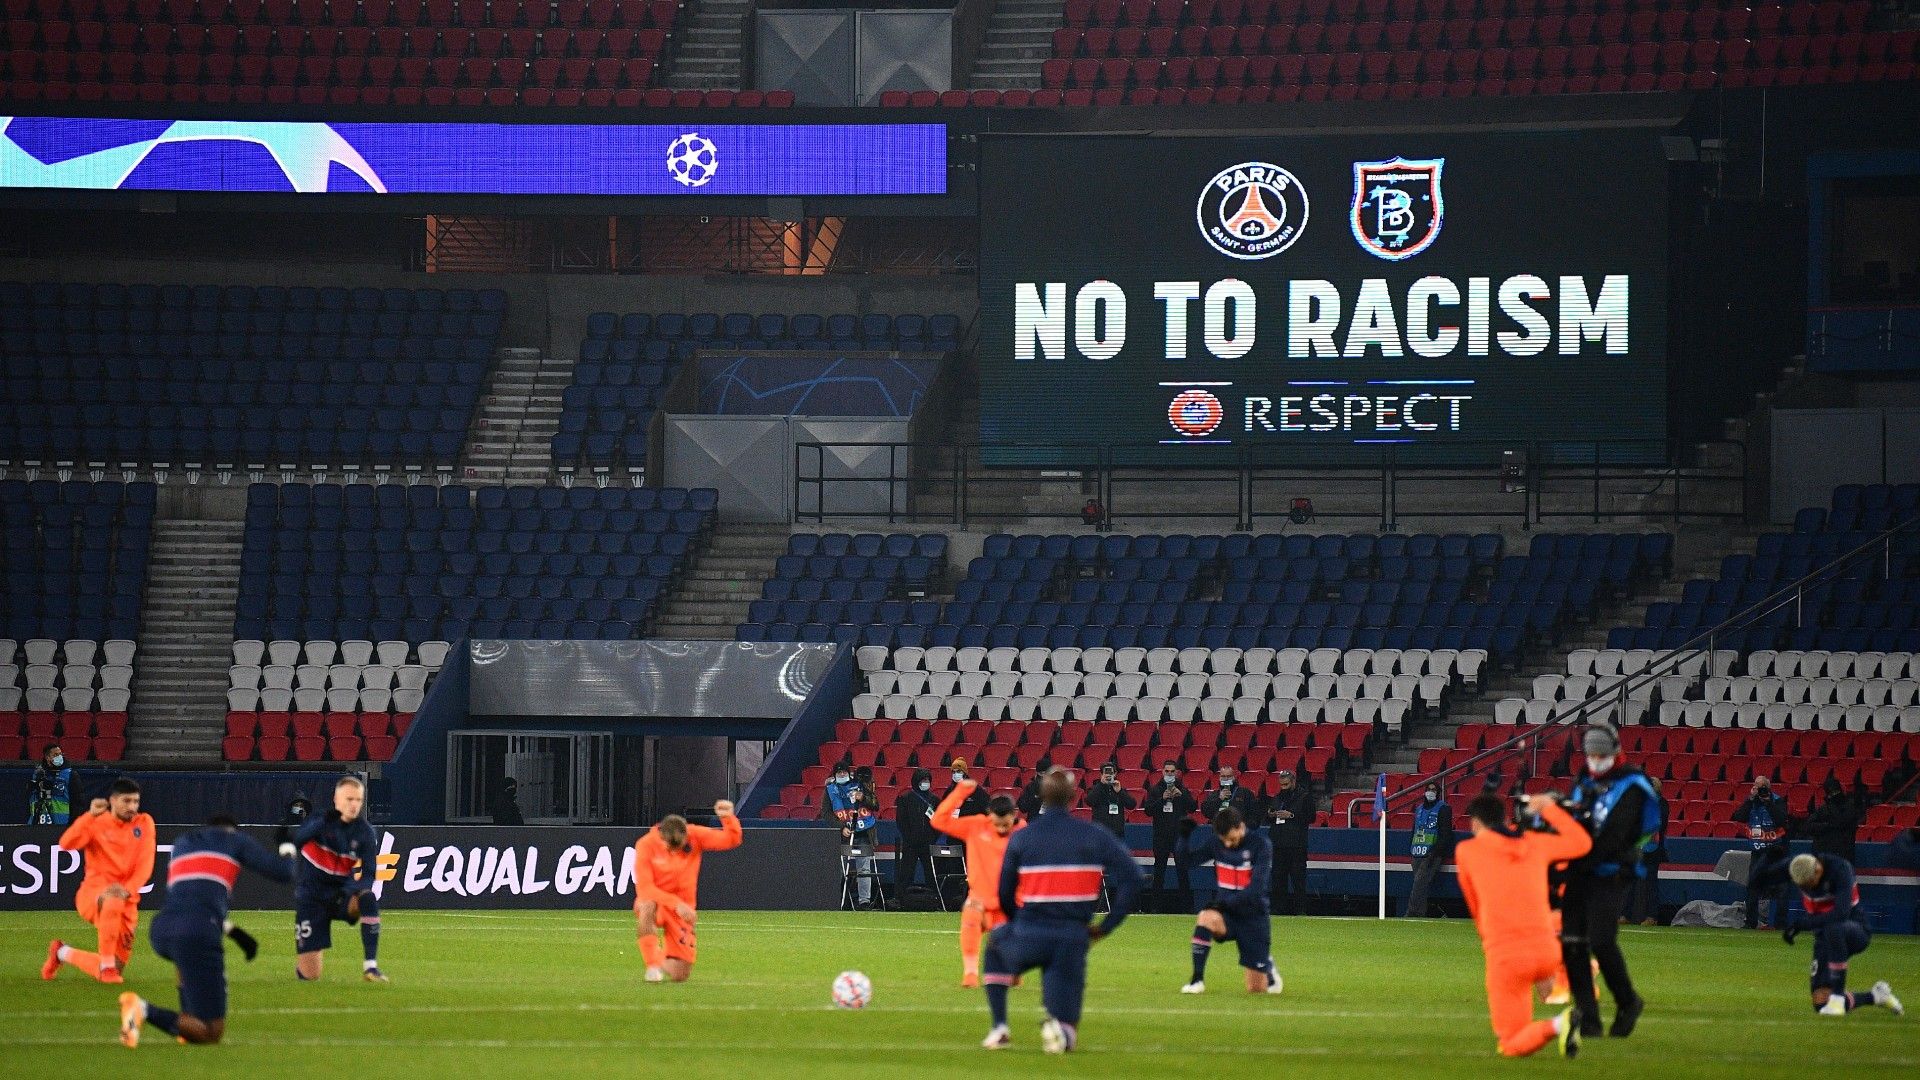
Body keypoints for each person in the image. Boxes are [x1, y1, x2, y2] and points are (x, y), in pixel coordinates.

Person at [980, 772, 1144, 1054]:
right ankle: (1061, 1031)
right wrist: (1105, 927)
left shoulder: (1023, 838)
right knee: (1067, 1026)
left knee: (995, 945)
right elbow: (1134, 878)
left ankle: (1000, 1027)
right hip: (1073, 937)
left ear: (1041, 796)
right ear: (1074, 796)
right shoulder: (1095, 835)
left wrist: (1018, 922)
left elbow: (1004, 892)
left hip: (1031, 932)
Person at [115, 815, 297, 1047]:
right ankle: (142, 1009)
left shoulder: (183, 843)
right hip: (196, 932)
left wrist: (235, 933)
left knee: (185, 957)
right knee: (212, 1032)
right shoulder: (234, 840)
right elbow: (284, 872)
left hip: (161, 930)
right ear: (232, 830)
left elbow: (191, 900)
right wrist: (287, 846)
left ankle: (185, 1026)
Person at [1454, 791, 1593, 1058]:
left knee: (1510, 1042)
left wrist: (1488, 941)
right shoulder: (1534, 844)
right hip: (1546, 952)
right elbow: (1582, 843)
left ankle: (1559, 1023)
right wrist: (1548, 808)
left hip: (1507, 955)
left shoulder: (1468, 851)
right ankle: (1566, 1004)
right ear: (1505, 819)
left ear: (1475, 823)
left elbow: (1475, 905)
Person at [1561, 724, 1654, 1039]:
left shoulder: (1632, 785)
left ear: (1614, 752)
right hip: (1579, 871)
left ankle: (1627, 1001)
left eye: (1601, 755)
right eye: (1591, 755)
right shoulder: (1584, 780)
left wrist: (1578, 858)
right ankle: (1588, 1016)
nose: (1596, 760)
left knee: (1601, 940)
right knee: (1572, 943)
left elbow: (1616, 836)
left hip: (1611, 871)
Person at [41, 778, 155, 984]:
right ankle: (108, 968)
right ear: (112, 800)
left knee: (117, 966)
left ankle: (61, 952)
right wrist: (89, 816)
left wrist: (128, 889)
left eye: (135, 801)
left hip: (127, 899)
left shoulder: (144, 823)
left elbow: (145, 864)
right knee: (112, 899)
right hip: (92, 895)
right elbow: (66, 844)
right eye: (126, 801)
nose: (132, 807)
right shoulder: (96, 822)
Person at [1767, 853, 1903, 1016]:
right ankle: (1876, 996)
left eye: (1808, 882)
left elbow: (1841, 913)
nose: (1807, 888)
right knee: (1821, 1003)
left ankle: (1837, 999)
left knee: (1834, 928)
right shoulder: (1797, 867)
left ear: (1817, 871)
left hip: (1854, 929)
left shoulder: (1840, 870)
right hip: (1824, 937)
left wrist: (1803, 924)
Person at [632, 799, 743, 983]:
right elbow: (645, 888)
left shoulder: (695, 835)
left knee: (680, 974)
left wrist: (728, 818)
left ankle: (659, 958)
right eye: (671, 848)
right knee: (646, 905)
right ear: (662, 838)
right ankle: (652, 964)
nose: (675, 851)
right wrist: (676, 904)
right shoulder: (646, 844)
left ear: (686, 835)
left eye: (680, 847)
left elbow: (731, 840)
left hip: (684, 908)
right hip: (659, 902)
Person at [291, 775, 386, 982]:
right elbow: (298, 839)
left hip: (341, 894)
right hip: (311, 897)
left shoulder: (365, 832)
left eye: (358, 800)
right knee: (310, 975)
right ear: (336, 799)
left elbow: (369, 874)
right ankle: (305, 963)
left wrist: (349, 889)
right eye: (349, 799)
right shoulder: (318, 820)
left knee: (367, 898)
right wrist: (324, 822)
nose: (354, 805)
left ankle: (371, 967)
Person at [932, 776, 1023, 987]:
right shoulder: (976, 826)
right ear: (989, 815)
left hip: (1009, 903)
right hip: (980, 899)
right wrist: (959, 794)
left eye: (1006, 824)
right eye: (997, 824)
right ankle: (970, 974)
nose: (1002, 829)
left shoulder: (1022, 833)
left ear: (1014, 816)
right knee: (970, 915)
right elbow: (938, 821)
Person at [1180, 807, 1281, 994]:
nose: (1227, 843)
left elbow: (1256, 889)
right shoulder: (1216, 843)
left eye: (1232, 839)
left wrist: (1224, 903)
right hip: (1227, 915)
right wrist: (1184, 838)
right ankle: (1196, 980)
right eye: (1224, 839)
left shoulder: (1260, 845)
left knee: (1256, 989)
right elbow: (1187, 862)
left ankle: (1267, 966)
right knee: (1206, 917)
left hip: (1253, 916)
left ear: (1240, 826)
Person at [1733, 774, 1792, 930]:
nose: (1759, 790)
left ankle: (1780, 923)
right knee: (1753, 887)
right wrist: (1749, 799)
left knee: (1782, 888)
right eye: (1756, 786)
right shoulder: (1751, 802)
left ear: (1768, 788)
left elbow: (1782, 820)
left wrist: (1768, 803)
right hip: (1758, 851)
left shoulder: (1778, 801)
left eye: (1762, 787)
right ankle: (1750, 922)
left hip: (1777, 851)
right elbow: (1739, 817)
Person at [823, 761, 878, 910]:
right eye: (839, 772)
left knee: (864, 869)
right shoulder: (830, 789)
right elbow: (826, 813)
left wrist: (863, 798)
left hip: (863, 832)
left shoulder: (861, 785)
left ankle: (864, 901)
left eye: (844, 772)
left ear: (849, 773)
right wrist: (841, 827)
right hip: (843, 834)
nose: (842, 774)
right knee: (840, 869)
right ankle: (838, 900)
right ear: (835, 774)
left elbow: (875, 804)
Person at [1146, 761, 1198, 913]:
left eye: (1172, 771)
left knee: (1182, 871)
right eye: (1167, 771)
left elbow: (1193, 807)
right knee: (1159, 871)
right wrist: (1162, 799)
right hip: (1161, 836)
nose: (1169, 774)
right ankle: (1155, 908)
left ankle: (1186, 908)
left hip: (1179, 836)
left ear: (1176, 773)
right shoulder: (1155, 790)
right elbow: (1148, 810)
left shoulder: (1182, 789)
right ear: (1163, 772)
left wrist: (1181, 796)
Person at [1405, 780, 1455, 918]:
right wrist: (1411, 848)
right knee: (1421, 885)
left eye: (1433, 790)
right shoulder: (1419, 809)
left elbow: (1445, 833)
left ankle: (1411, 912)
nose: (1430, 792)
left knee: (1419, 883)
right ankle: (1420, 913)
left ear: (1438, 793)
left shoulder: (1444, 808)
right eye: (1428, 789)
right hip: (1417, 852)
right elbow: (1414, 830)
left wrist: (1434, 853)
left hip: (1431, 853)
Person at [1265, 770, 1313, 915]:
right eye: (1281, 785)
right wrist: (1271, 815)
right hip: (1278, 844)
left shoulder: (1305, 797)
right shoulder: (1277, 798)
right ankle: (1279, 909)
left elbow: (1311, 817)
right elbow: (1268, 816)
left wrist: (1291, 815)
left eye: (1286, 784)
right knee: (1278, 879)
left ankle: (1300, 910)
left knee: (1298, 879)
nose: (1283, 787)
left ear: (1293, 782)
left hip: (1296, 845)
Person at [1627, 777, 1668, 926]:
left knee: (1651, 884)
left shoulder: (1661, 804)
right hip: (1638, 848)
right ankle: (1625, 914)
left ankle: (1652, 916)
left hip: (1652, 849)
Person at [893, 768, 940, 898]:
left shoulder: (935, 800)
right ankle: (903, 899)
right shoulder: (905, 799)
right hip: (910, 844)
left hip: (928, 844)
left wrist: (933, 838)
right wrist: (909, 837)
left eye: (927, 780)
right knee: (907, 873)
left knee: (931, 873)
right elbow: (901, 821)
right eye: (923, 780)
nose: (925, 782)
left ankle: (934, 899)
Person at [1805, 777, 1862, 864]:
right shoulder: (1823, 809)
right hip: (1825, 852)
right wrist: (1826, 825)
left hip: (1843, 852)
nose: (1834, 794)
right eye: (1831, 793)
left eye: (1836, 791)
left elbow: (1844, 822)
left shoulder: (1850, 807)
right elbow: (1809, 826)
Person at [1084, 761, 1135, 839]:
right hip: (1100, 831)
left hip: (1117, 832)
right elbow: (1089, 801)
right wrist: (1101, 784)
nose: (1108, 775)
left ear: (1115, 774)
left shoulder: (1119, 789)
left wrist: (1120, 791)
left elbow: (1131, 805)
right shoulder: (1094, 789)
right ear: (1101, 774)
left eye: (1111, 773)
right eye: (1106, 772)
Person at [27, 744, 74, 825]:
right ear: (47, 757)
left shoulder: (69, 774)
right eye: (55, 755)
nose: (59, 757)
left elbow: (78, 802)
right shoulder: (38, 774)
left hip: (62, 823)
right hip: (39, 823)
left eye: (60, 754)